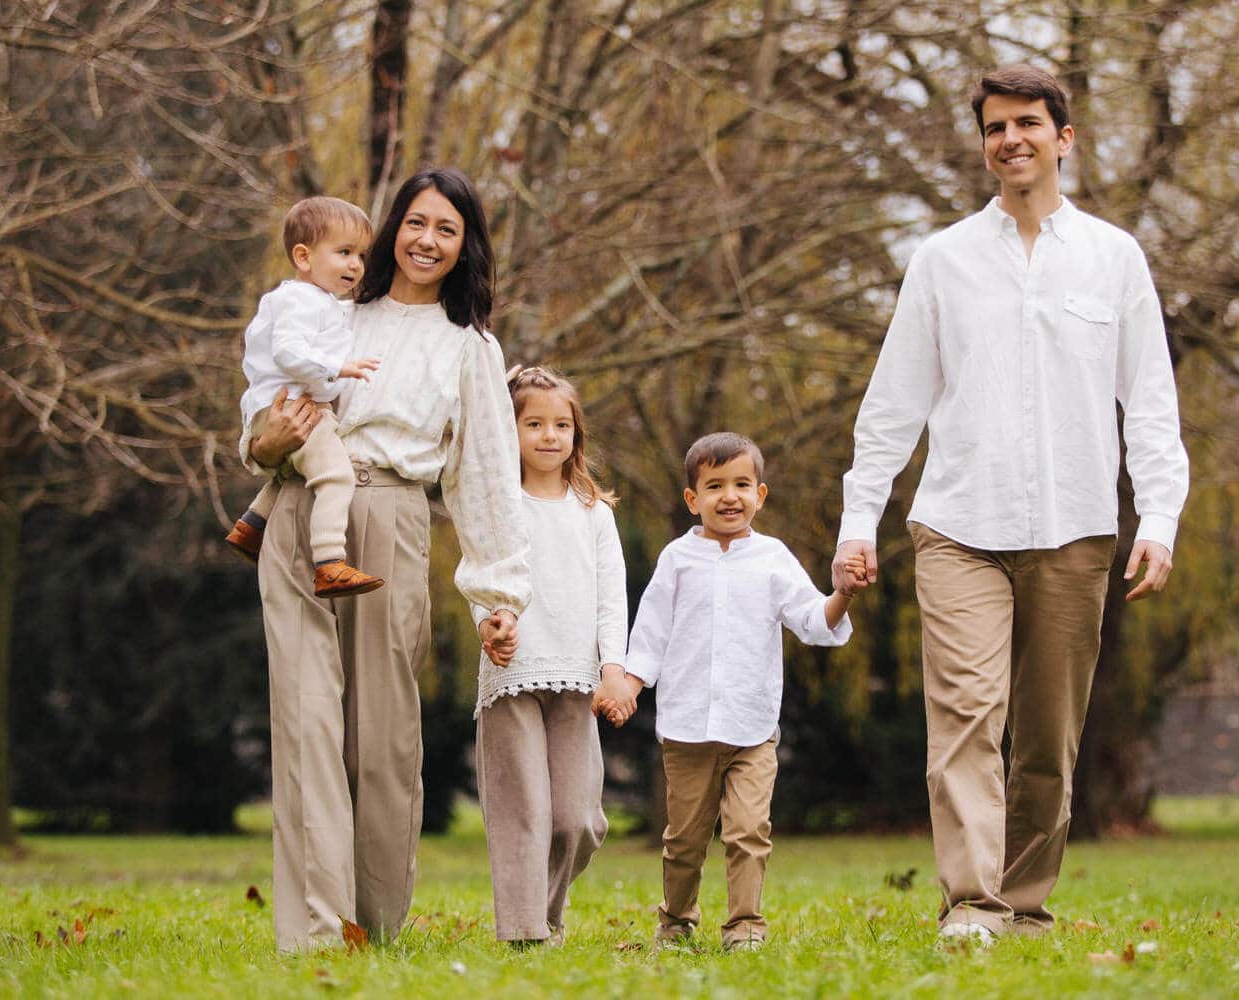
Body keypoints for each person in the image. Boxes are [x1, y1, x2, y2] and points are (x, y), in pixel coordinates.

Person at [832, 64, 1189, 946]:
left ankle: (1023, 905)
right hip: (959, 525)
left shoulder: (1113, 258)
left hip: (1076, 530)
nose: (1010, 139)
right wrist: (857, 520)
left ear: (1063, 138)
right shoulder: (943, 261)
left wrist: (1160, 517)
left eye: (1027, 123)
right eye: (995, 127)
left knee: (1046, 741)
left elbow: (1149, 401)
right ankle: (971, 904)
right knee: (965, 719)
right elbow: (892, 405)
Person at [242, 168, 531, 952]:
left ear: (466, 246)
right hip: (302, 509)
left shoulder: (470, 347)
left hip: (394, 517)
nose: (427, 241)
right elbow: (267, 400)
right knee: (306, 722)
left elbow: (485, 478)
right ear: (391, 228)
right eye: (415, 222)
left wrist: (498, 597)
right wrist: (259, 444)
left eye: (447, 229)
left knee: (383, 737)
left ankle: (372, 923)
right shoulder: (333, 311)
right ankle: (316, 930)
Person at [613, 432, 866, 951]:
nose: (730, 497)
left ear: (760, 494)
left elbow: (812, 619)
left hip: (752, 730)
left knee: (749, 831)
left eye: (742, 485)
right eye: (715, 486)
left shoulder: (772, 558)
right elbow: (651, 633)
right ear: (693, 499)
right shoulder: (677, 559)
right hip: (688, 730)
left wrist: (842, 593)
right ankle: (676, 922)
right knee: (684, 840)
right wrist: (630, 685)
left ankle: (745, 927)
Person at [472, 364, 634, 947]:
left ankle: (545, 913)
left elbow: (612, 598)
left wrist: (613, 669)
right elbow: (481, 574)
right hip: (512, 673)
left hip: (577, 680)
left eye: (561, 424)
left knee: (575, 820)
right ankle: (525, 933)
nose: (548, 435)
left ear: (576, 434)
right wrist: (490, 624)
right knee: (524, 813)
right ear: (508, 431)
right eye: (533, 423)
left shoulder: (594, 513)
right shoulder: (496, 506)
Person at [225, 196, 385, 597]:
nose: (355, 265)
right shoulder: (300, 300)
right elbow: (288, 352)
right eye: (344, 252)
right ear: (303, 256)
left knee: (296, 468)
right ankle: (329, 562)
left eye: (361, 255)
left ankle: (251, 526)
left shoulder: (315, 300)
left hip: (283, 404)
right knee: (336, 476)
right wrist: (338, 367)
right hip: (291, 405)